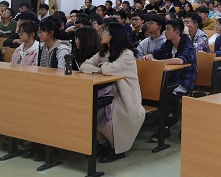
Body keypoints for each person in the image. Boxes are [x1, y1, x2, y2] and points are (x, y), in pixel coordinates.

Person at [81, 22, 145, 163]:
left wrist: (103, 67)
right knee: (88, 107)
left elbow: (109, 69)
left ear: (113, 35)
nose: (101, 34)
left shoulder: (127, 54)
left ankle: (116, 147)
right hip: (108, 94)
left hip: (124, 97)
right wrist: (99, 69)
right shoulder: (103, 52)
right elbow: (84, 66)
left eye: (104, 31)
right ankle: (104, 143)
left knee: (98, 110)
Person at [144, 18, 197, 140]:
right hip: (170, 80)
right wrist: (150, 56)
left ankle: (166, 126)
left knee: (164, 94)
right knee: (152, 90)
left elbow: (180, 61)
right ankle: (168, 118)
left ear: (177, 32)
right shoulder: (168, 44)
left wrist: (156, 62)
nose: (165, 32)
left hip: (184, 81)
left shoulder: (188, 45)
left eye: (168, 29)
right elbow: (156, 53)